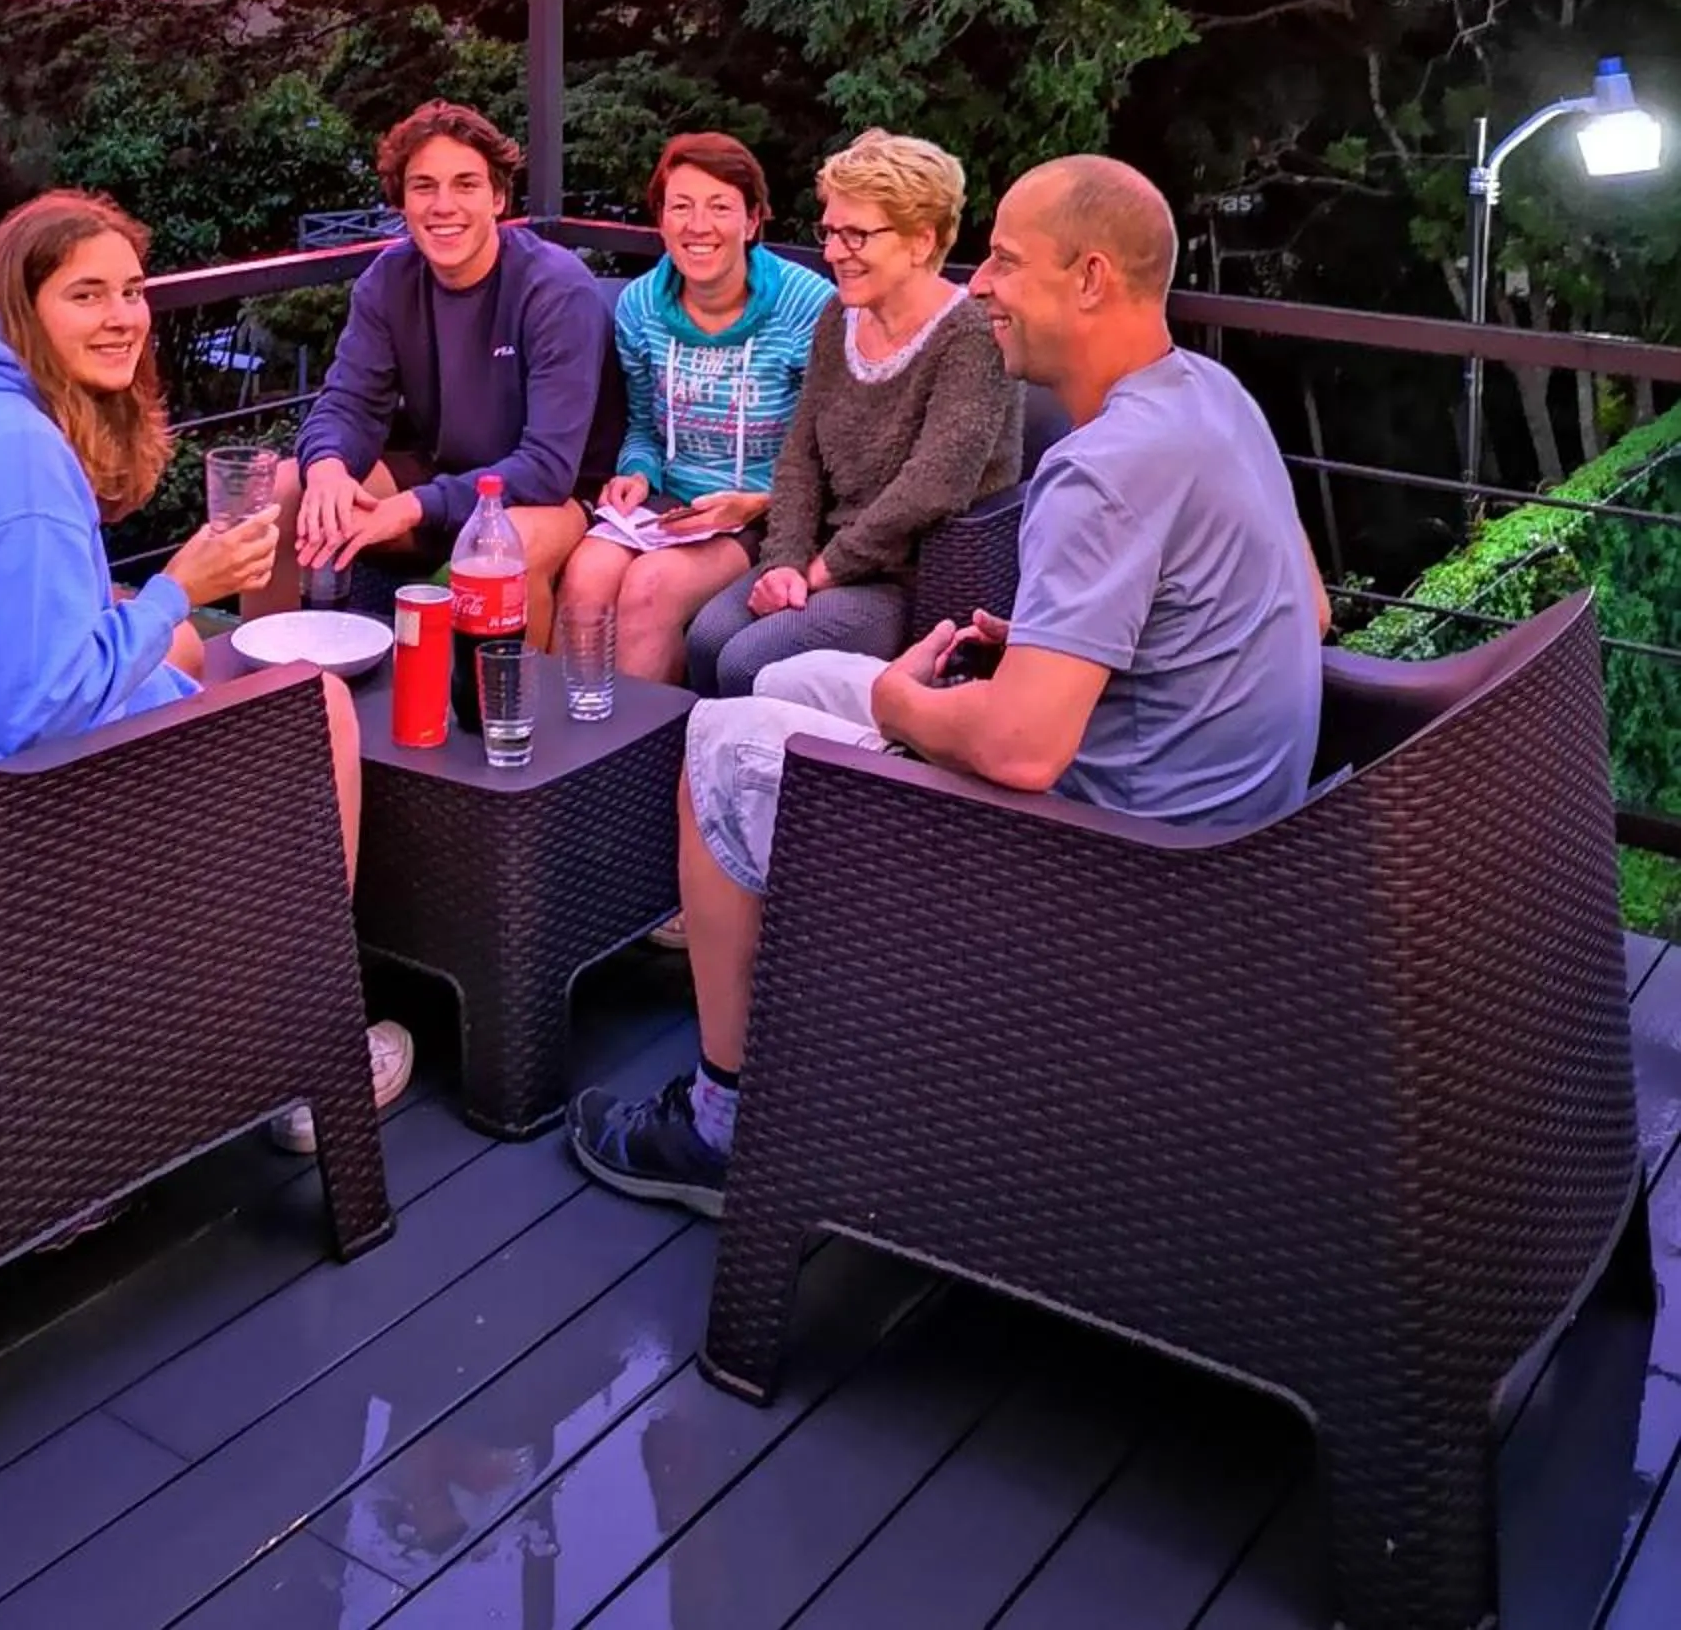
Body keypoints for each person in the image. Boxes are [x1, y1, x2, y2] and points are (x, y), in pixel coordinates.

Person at [568, 153, 1326, 1218]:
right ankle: (809, 1028)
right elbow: (1306, 608)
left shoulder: (1104, 466)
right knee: (810, 668)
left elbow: (1021, 752)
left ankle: (723, 1124)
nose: (982, 285)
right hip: (1228, 833)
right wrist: (1058, 642)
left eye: (1007, 262)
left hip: (1112, 876)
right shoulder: (1213, 395)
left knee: (721, 744)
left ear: (1093, 279)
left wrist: (899, 705)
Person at [0, 188, 413, 1135]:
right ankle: (306, 1051)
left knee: (171, 643)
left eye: (131, 291)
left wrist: (152, 612)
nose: (124, 316)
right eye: (85, 295)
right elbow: (42, 715)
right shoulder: (24, 460)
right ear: (24, 309)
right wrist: (184, 579)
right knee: (317, 708)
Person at [254, 101, 625, 640]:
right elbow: (348, 404)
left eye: (466, 185)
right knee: (285, 490)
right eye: (424, 186)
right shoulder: (390, 279)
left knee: (501, 543)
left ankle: (510, 717)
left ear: (498, 198)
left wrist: (413, 507)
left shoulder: (554, 289)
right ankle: (273, 695)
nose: (443, 205)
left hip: (556, 498)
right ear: (402, 201)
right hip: (444, 474)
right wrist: (329, 466)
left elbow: (547, 468)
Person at [681, 129, 1019, 697]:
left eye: (856, 235)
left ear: (920, 240)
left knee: (748, 662)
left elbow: (934, 486)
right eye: (831, 232)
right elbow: (800, 454)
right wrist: (784, 561)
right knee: (706, 637)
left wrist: (821, 571)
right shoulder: (839, 315)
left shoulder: (971, 336)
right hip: (819, 553)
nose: (834, 252)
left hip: (909, 575)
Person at [557, 132, 832, 682]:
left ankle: (634, 760)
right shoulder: (638, 306)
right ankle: (569, 747)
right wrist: (636, 472)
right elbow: (641, 426)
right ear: (660, 220)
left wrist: (758, 503)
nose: (697, 225)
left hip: (762, 509)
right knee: (585, 575)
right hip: (669, 505)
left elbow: (830, 450)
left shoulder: (808, 305)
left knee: (650, 586)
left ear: (753, 221)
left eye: (719, 207)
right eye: (680, 207)